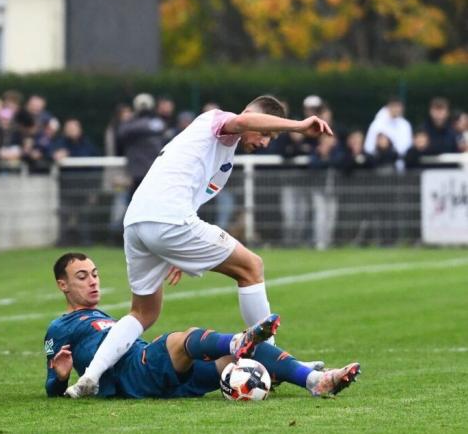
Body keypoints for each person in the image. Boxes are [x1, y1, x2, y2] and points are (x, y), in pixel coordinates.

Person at [66, 95, 334, 398]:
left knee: (143, 312)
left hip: (138, 223)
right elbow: (244, 121)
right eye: (267, 134)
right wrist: (299, 126)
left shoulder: (224, 155)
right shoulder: (219, 121)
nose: (265, 142)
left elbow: (189, 195)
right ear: (252, 115)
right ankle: (275, 363)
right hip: (166, 221)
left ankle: (90, 377)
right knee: (251, 267)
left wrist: (176, 253)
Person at [46, 253, 360, 399]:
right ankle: (239, 341)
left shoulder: (102, 314)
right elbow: (51, 387)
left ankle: (316, 380)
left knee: (241, 362)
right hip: (133, 374)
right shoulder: (61, 326)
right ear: (63, 285)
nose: (93, 281)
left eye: (95, 274)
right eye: (82, 277)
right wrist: (59, 379)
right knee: (183, 338)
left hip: (161, 380)